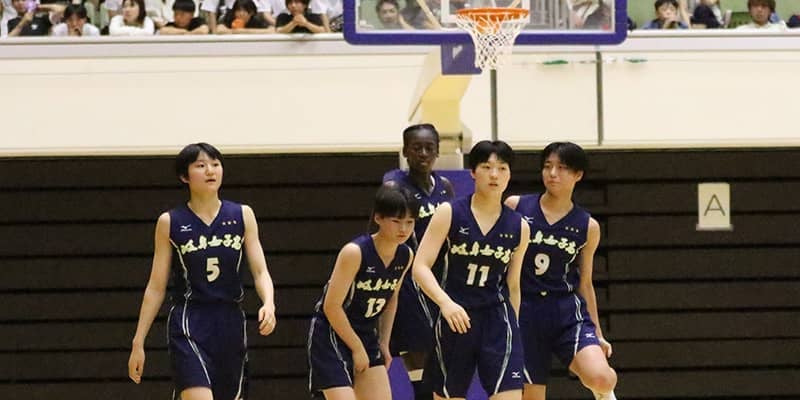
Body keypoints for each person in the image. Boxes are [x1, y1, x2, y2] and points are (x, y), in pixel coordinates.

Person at [127, 142, 277, 400]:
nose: (210, 170)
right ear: (184, 176)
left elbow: (260, 271)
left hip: (230, 321)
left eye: (215, 164)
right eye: (201, 165)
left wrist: (269, 303)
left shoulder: (242, 215)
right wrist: (138, 341)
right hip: (190, 321)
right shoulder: (170, 222)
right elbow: (156, 286)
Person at [413, 140, 530, 400]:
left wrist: (514, 327)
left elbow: (513, 285)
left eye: (502, 168)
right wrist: (445, 303)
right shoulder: (450, 212)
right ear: (473, 172)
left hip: (497, 319)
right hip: (456, 316)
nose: (494, 174)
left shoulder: (520, 226)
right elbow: (420, 267)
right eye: (487, 167)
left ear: (509, 174)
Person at [504, 142, 617, 400]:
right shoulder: (516, 206)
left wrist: (598, 333)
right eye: (547, 166)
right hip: (524, 311)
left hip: (565, 311)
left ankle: (602, 392)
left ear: (578, 175)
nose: (552, 173)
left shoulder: (588, 225)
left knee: (602, 377)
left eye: (562, 168)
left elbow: (585, 283)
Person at [307, 184, 417, 400]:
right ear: (378, 218)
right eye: (396, 221)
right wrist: (357, 348)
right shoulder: (354, 252)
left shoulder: (406, 255)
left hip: (366, 334)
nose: (403, 229)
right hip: (331, 334)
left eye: (410, 222)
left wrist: (384, 343)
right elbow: (331, 306)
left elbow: (391, 299)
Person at [383, 124, 454, 400]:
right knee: (417, 353)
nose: (423, 153)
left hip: (439, 280)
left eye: (429, 147)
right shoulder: (394, 186)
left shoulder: (444, 187)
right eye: (416, 147)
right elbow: (378, 231)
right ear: (405, 151)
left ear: (437, 151)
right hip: (408, 281)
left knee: (439, 357)